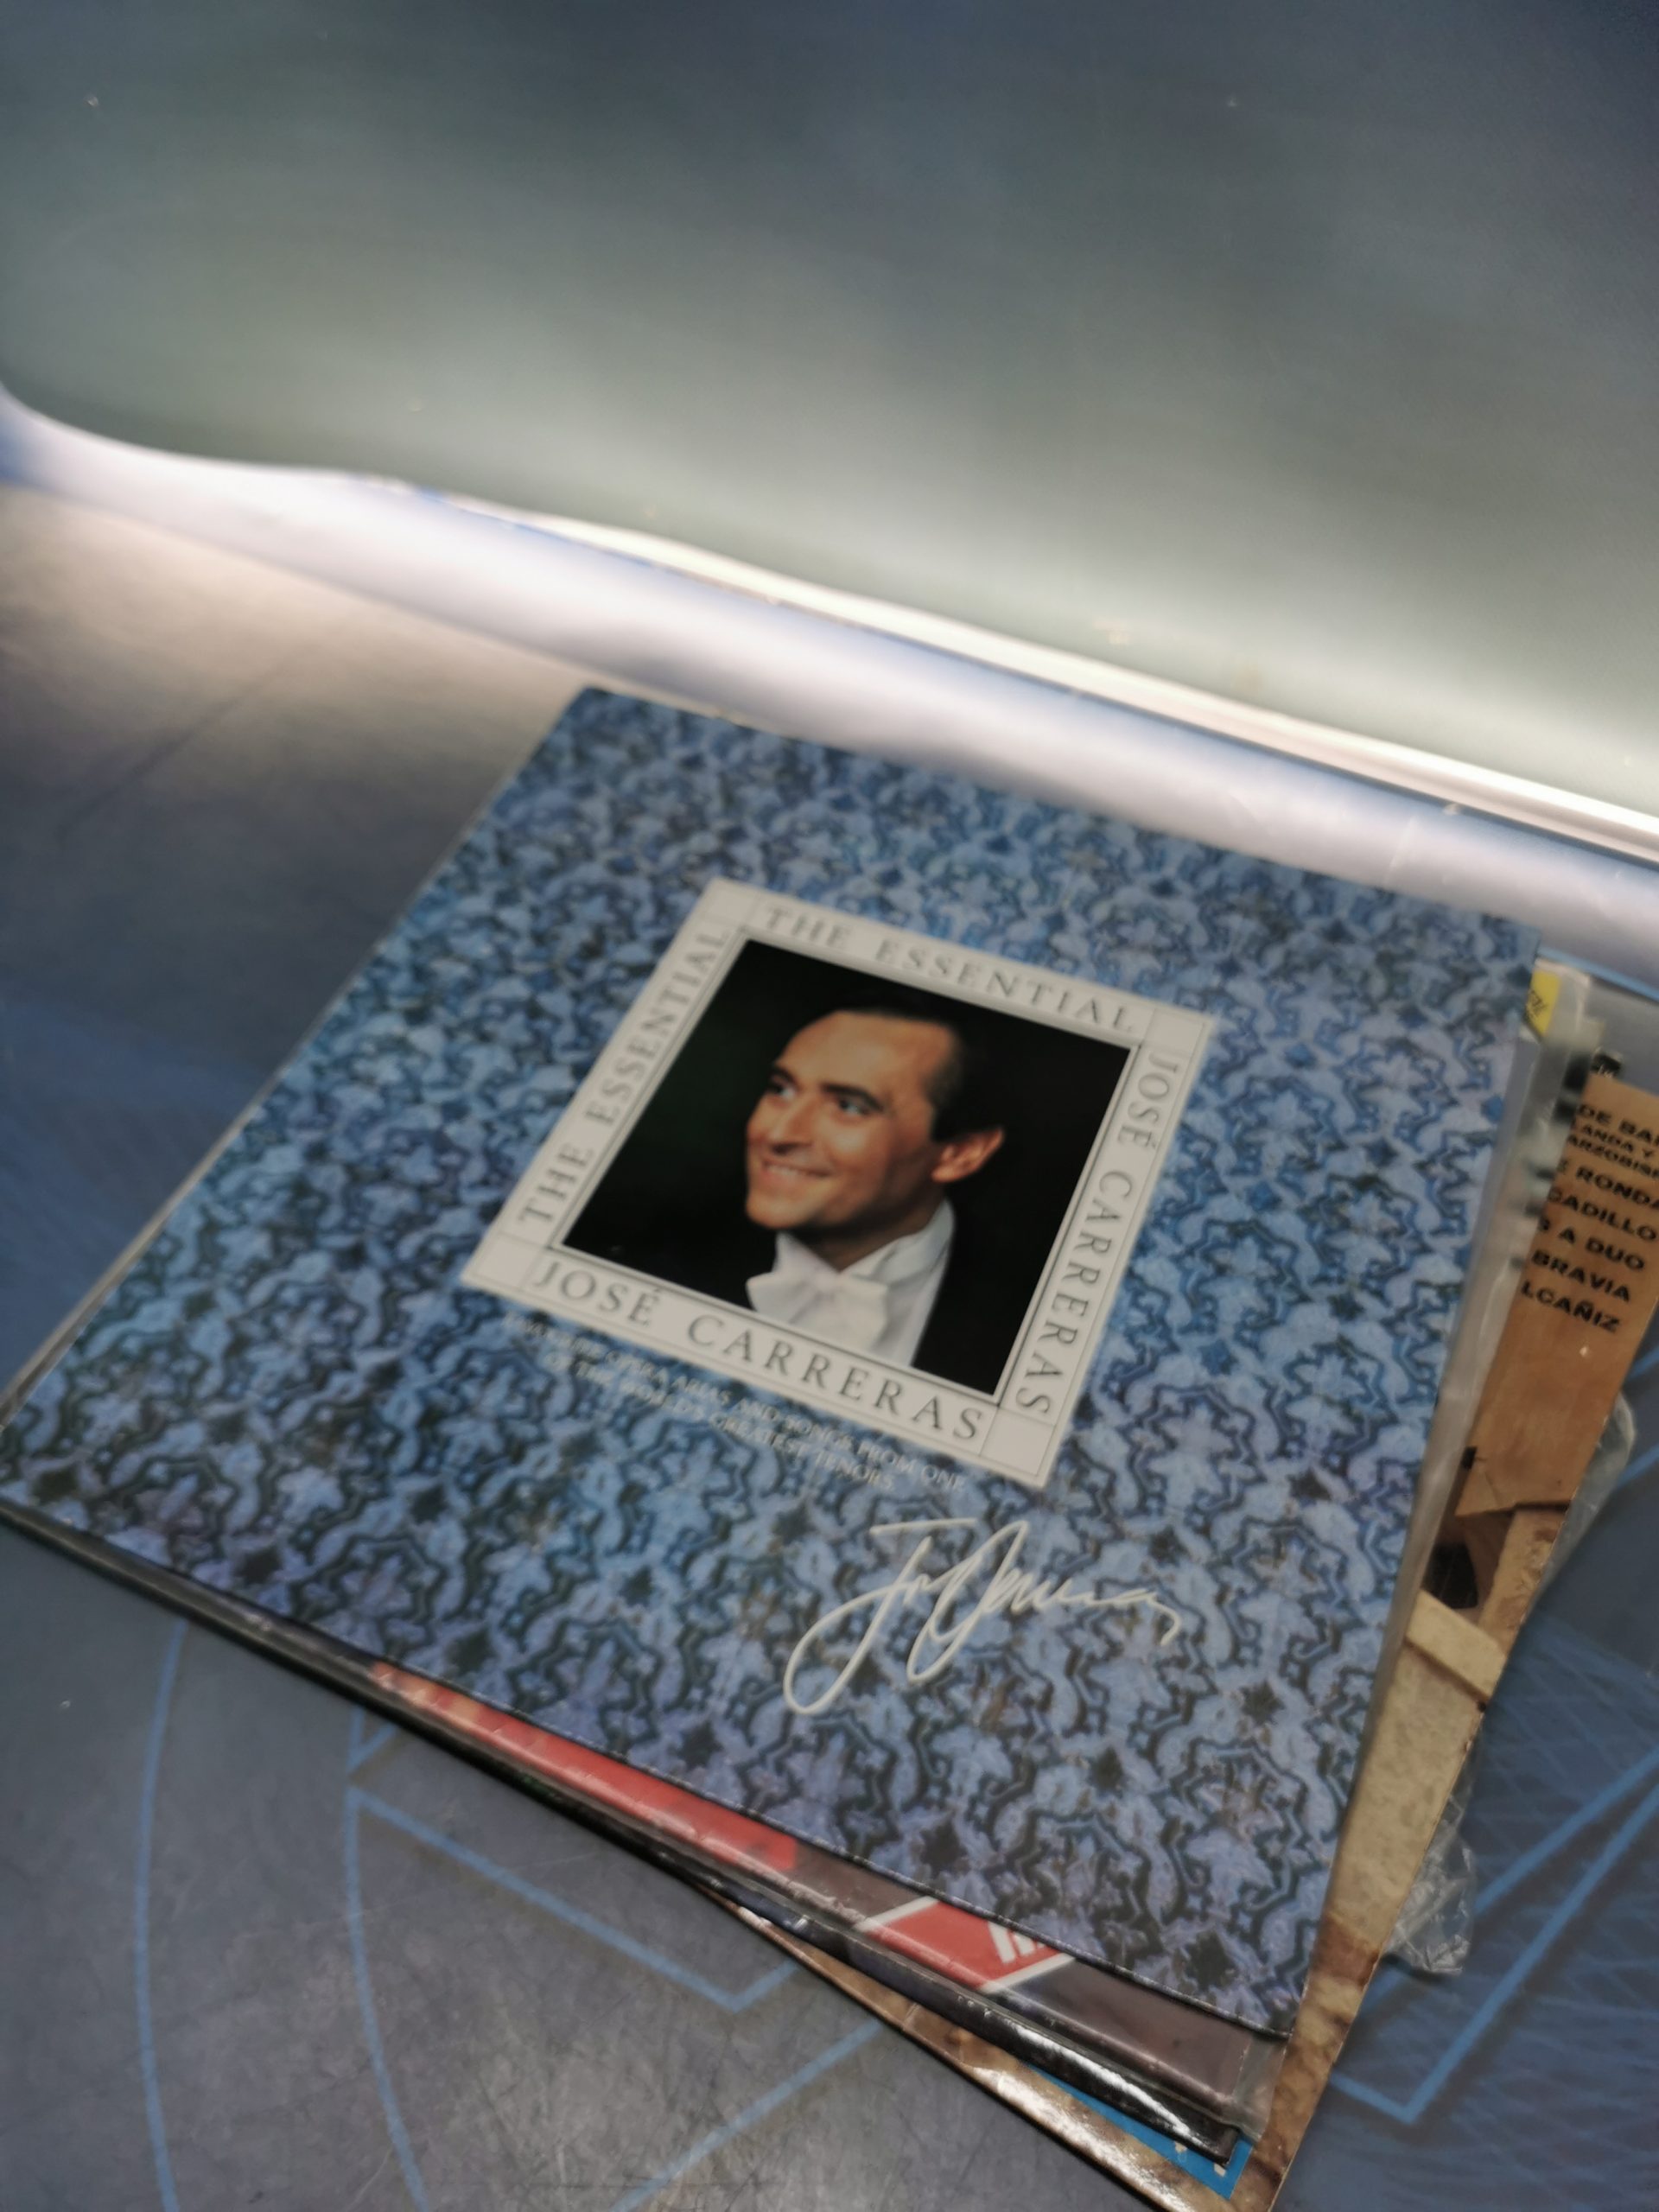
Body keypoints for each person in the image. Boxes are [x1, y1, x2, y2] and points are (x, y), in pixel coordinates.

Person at [739, 1003, 1005, 1371]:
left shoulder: (1013, 1311)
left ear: (960, 1154)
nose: (778, 1134)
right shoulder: (667, 1253)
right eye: (781, 1090)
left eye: (849, 1107)